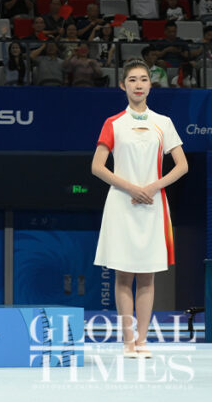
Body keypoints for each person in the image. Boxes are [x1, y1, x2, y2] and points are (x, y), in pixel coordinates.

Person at [92, 58, 188, 358]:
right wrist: (132, 188)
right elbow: (97, 167)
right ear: (123, 85)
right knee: (124, 275)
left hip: (153, 205)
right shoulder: (113, 123)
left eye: (143, 79)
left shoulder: (164, 123)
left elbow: (182, 166)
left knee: (147, 275)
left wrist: (152, 188)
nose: (138, 85)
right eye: (132, 80)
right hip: (122, 203)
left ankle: (143, 341)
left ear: (150, 85)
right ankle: (127, 342)